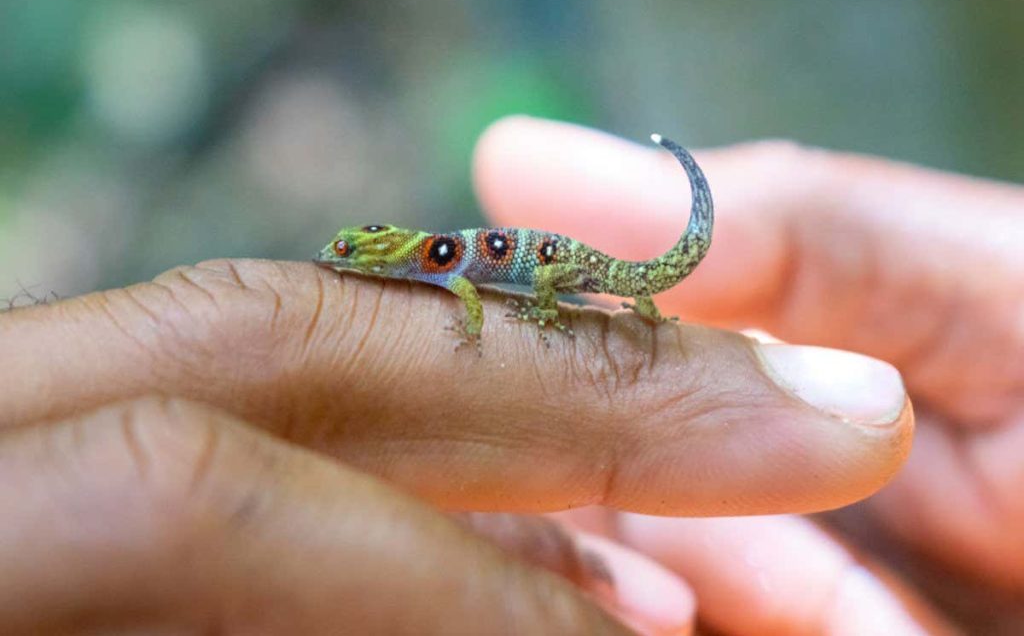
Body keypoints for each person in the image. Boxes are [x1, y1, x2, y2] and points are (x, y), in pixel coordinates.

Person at [0, 116, 1018, 634]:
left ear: (385, 244)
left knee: (614, 293)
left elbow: (484, 290)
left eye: (360, 244)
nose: (347, 253)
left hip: (578, 274)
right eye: (353, 247)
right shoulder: (423, 263)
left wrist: (522, 314)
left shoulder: (442, 268)